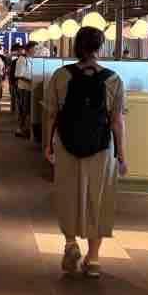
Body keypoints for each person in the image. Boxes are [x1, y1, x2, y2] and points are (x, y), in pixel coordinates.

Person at [43, 26, 128, 279]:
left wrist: (48, 145)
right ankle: (94, 258)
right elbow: (117, 121)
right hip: (101, 147)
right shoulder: (113, 79)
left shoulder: (61, 76)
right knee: (98, 198)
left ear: (76, 46)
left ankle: (71, 243)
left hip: (67, 144)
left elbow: (52, 115)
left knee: (68, 193)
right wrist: (122, 155)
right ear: (100, 47)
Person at [14, 42, 35, 138]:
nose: (36, 50)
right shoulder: (22, 59)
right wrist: (30, 80)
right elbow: (19, 75)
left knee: (27, 110)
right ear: (29, 49)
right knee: (23, 109)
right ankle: (20, 129)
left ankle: (25, 129)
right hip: (24, 88)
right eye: (35, 48)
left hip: (30, 88)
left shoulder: (33, 59)